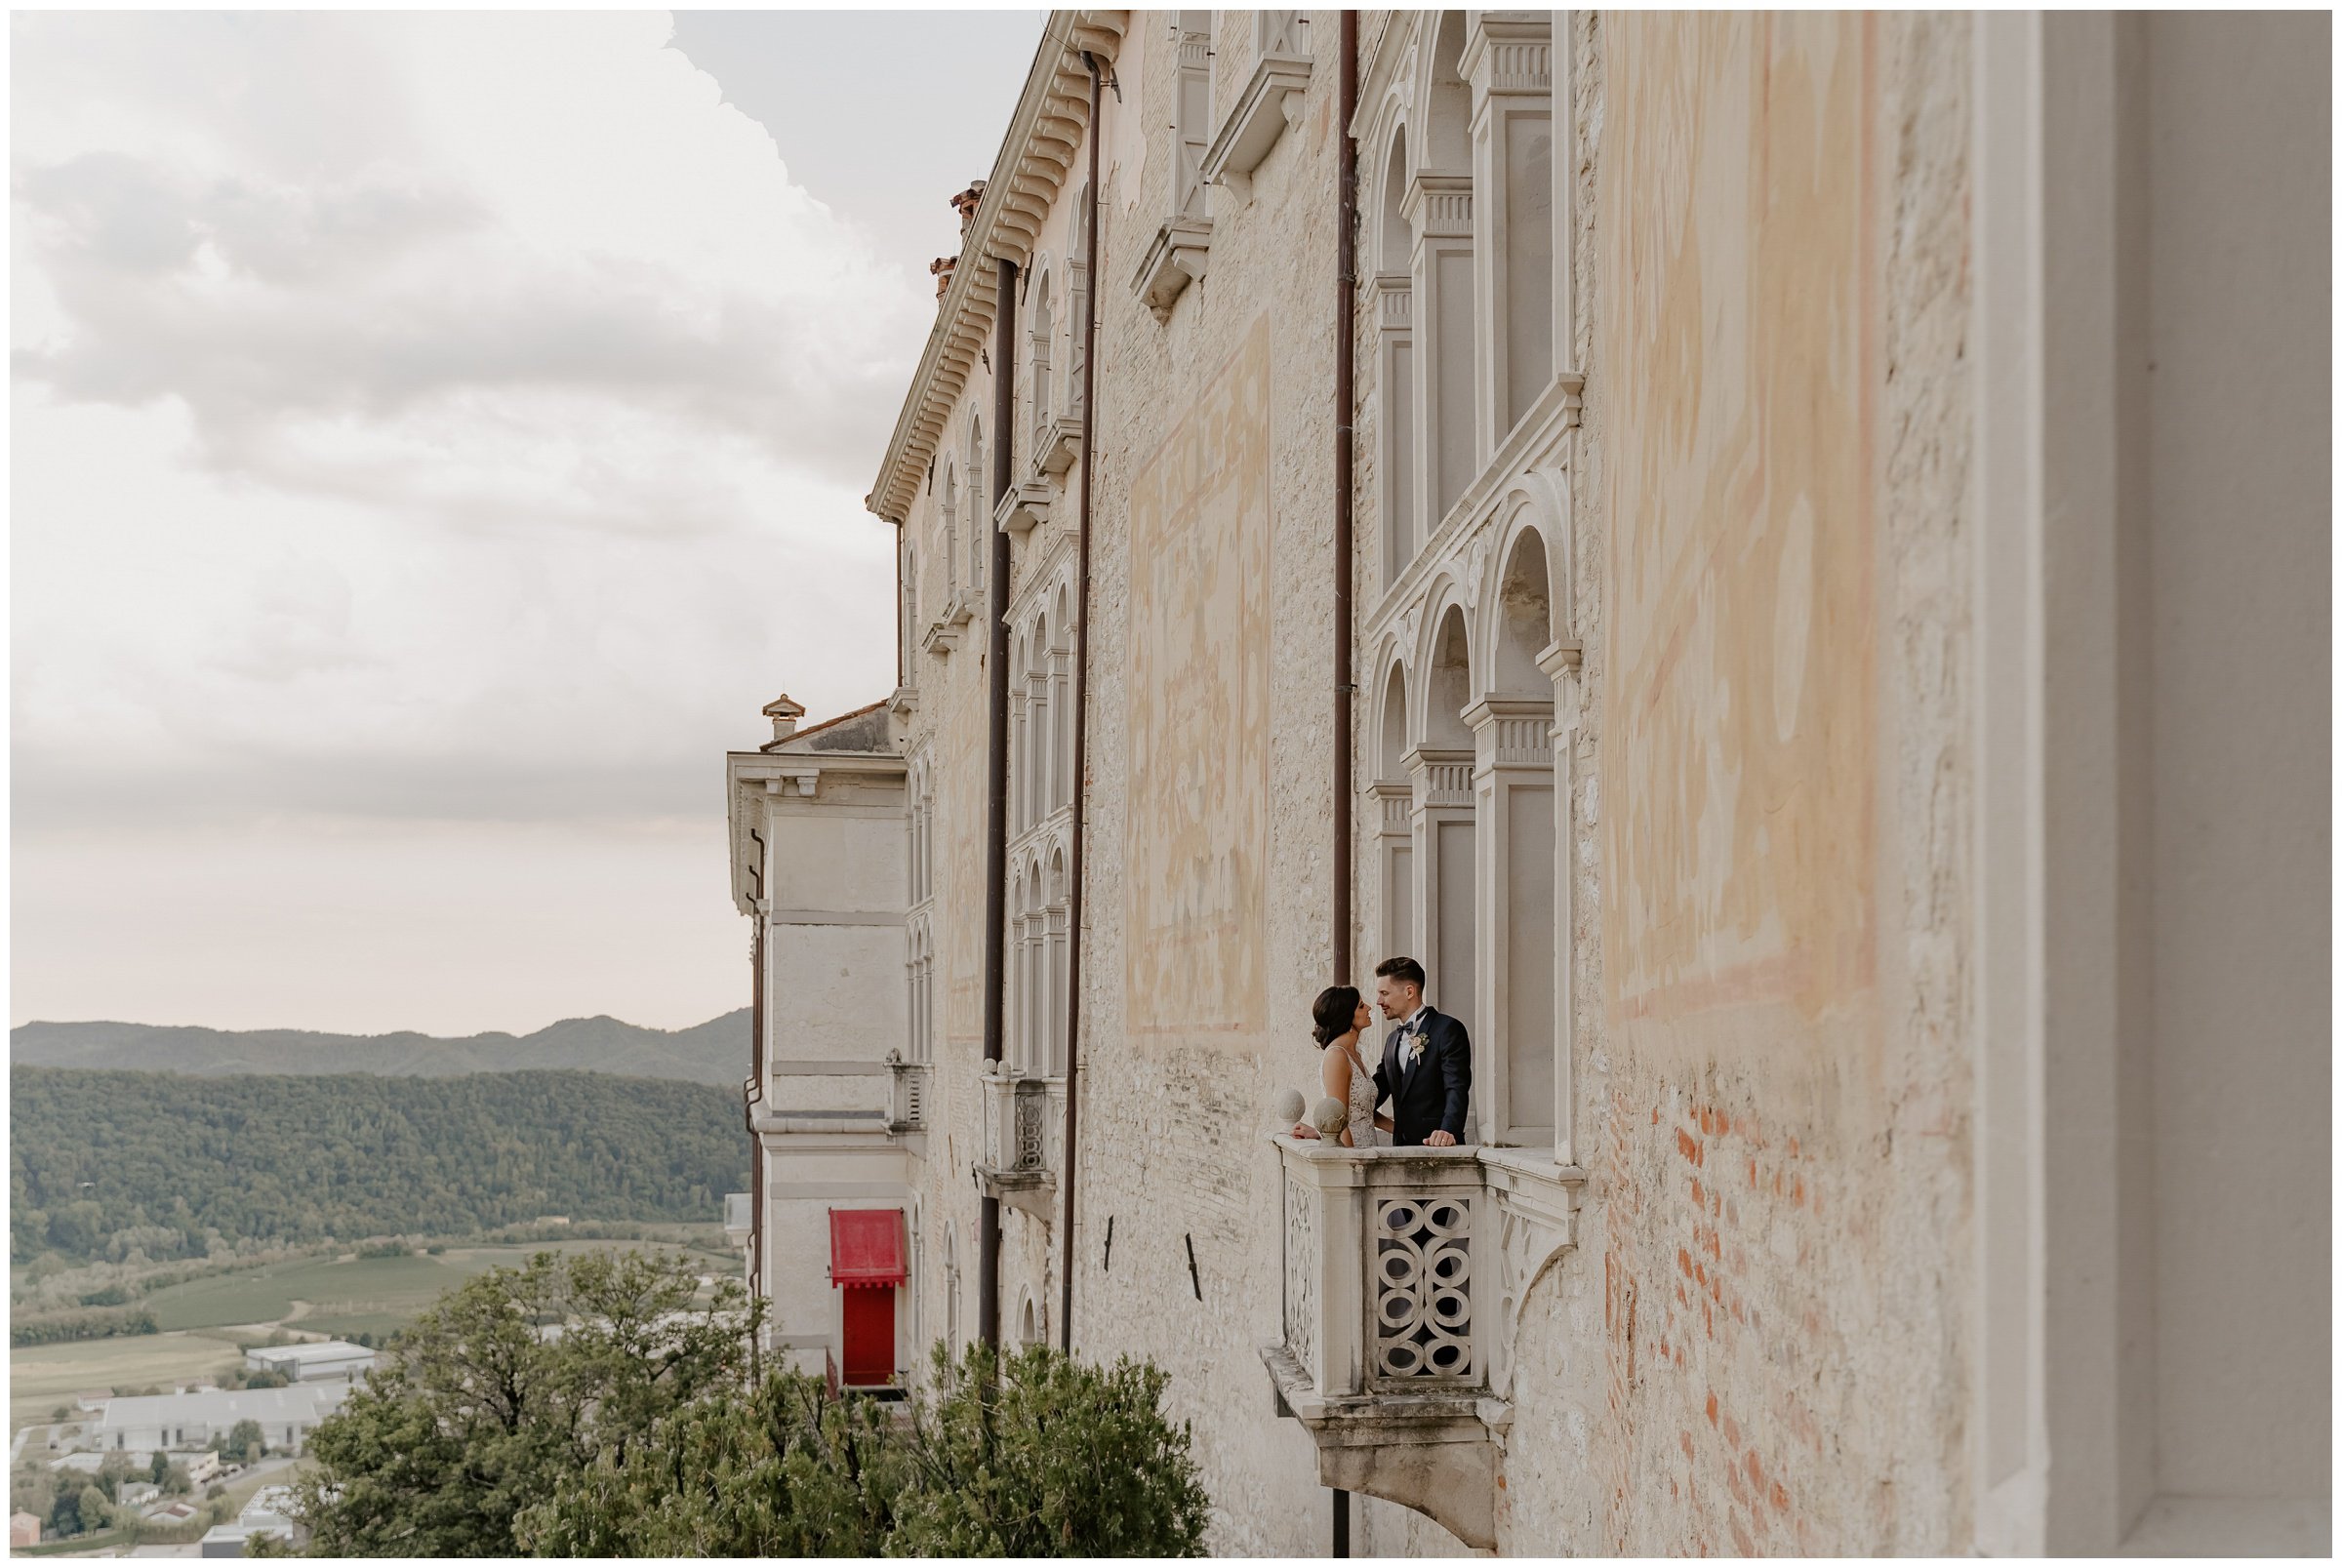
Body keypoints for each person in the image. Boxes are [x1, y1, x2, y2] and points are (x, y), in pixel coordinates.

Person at [1291, 956, 1472, 1147]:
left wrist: (1448, 1130)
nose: (1377, 1002)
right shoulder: (1392, 1040)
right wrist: (1325, 1132)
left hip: (1438, 1147)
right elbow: (1368, 1097)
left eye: (1384, 993)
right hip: (1399, 1149)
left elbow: (1457, 1088)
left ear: (1409, 991)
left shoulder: (1447, 1029)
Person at [1302, 985, 1391, 1147]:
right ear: (1347, 1017)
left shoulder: (1355, 1053)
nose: (1369, 1008)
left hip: (1370, 1150)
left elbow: (1364, 1112)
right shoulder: (1337, 1056)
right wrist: (1351, 1164)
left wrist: (1401, 1130)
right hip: (1352, 1152)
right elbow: (1340, 1122)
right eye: (1361, 1006)